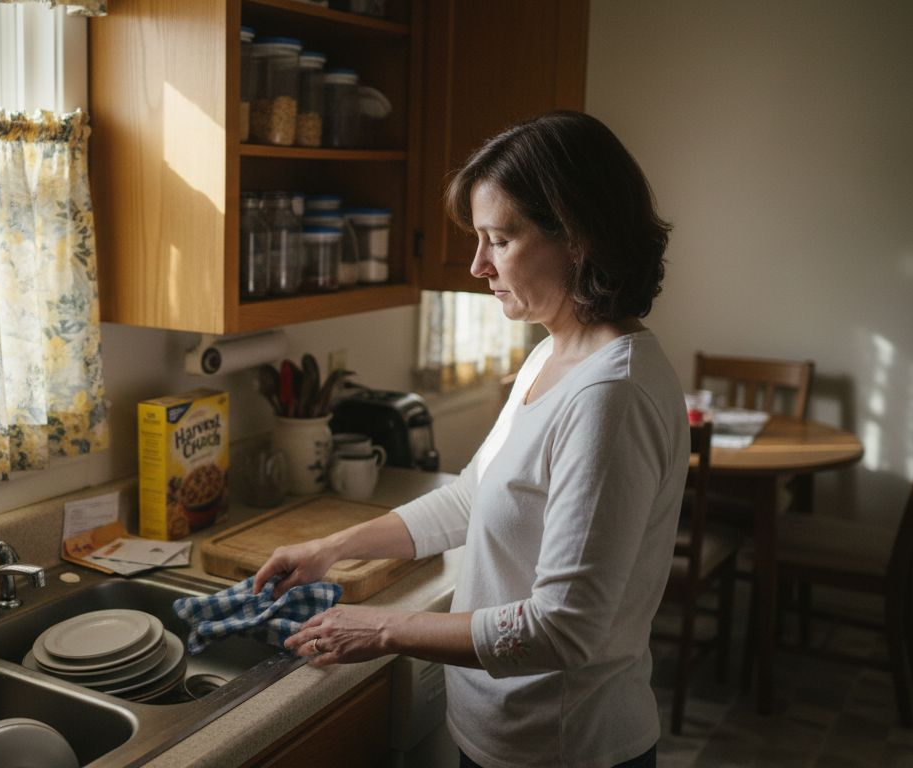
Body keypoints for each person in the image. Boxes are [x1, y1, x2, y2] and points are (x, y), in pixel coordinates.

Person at [252, 111, 686, 768]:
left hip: (567, 747)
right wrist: (331, 548)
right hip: (502, 731)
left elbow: (564, 628)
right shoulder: (552, 353)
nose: (478, 264)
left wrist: (384, 627)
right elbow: (469, 497)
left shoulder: (611, 397)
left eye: (500, 240)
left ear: (577, 236)